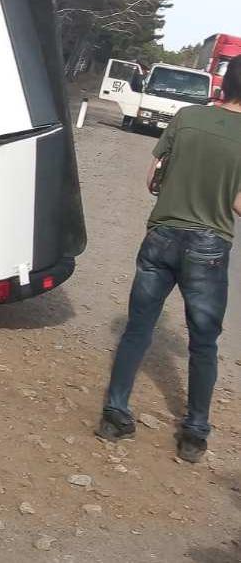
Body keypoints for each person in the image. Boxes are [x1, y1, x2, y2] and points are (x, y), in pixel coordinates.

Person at [98, 57, 241, 462]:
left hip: (160, 238)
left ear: (224, 85)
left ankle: (115, 415)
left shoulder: (186, 117)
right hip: (209, 249)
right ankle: (194, 434)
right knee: (203, 343)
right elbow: (237, 203)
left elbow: (151, 179)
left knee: (137, 329)